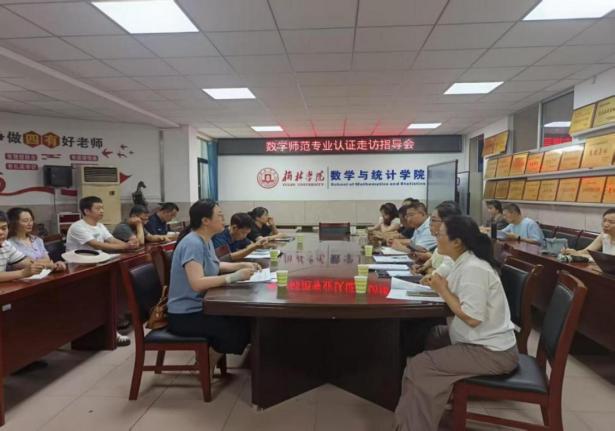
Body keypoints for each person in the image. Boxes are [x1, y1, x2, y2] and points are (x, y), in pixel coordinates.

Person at [395, 215, 519, 431]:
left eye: (441, 233)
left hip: (492, 351)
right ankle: (430, 401)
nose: (436, 235)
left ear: (457, 242)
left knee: (419, 366)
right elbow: (449, 282)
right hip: (479, 341)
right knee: (433, 335)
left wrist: (442, 289)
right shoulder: (461, 261)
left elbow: (472, 318)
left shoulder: (474, 268)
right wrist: (436, 282)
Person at [168, 200, 259, 373]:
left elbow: (215, 265)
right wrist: (233, 277)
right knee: (240, 330)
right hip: (185, 314)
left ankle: (208, 358)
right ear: (205, 221)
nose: (224, 219)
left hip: (202, 305)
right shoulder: (192, 243)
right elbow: (197, 283)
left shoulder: (205, 240)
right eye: (220, 215)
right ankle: (206, 362)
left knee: (245, 319)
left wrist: (241, 266)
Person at [66, 196, 140, 347]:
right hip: (80, 270)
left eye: (102, 208)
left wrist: (128, 244)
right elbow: (97, 245)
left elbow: (111, 240)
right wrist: (126, 246)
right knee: (99, 299)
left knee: (113, 292)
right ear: (86, 211)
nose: (102, 211)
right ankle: (109, 331)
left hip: (98, 266)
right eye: (98, 208)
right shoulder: (78, 227)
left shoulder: (99, 226)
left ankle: (114, 324)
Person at [412, 202, 462, 284]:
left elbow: (441, 274)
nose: (430, 224)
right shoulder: (441, 240)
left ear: (448, 222)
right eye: (430, 220)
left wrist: (428, 270)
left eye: (433, 220)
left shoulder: (454, 244)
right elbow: (433, 259)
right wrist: (423, 267)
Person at [6, 207, 66, 272]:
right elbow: (21, 265)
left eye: (31, 220)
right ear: (14, 223)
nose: (30, 223)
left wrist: (53, 265)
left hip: (44, 274)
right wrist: (49, 265)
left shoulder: (37, 240)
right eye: (25, 221)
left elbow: (47, 259)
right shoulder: (9, 244)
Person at [0, 210, 44, 282]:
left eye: (4, 228)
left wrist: (52, 266)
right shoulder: (11, 242)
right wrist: (22, 273)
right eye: (25, 221)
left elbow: (26, 262)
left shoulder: (6, 245)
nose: (1, 232)